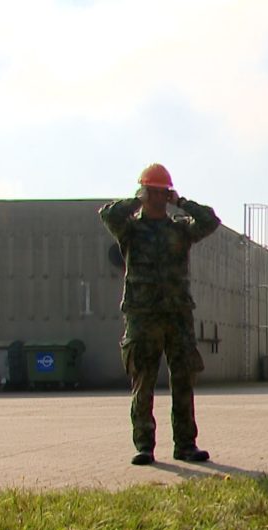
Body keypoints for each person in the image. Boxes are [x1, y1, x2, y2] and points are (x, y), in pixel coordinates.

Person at [99, 163, 221, 466]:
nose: (156, 198)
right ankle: (144, 446)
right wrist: (136, 200)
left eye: (161, 192)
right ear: (143, 192)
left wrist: (181, 202)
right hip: (143, 315)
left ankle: (186, 445)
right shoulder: (130, 229)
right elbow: (107, 214)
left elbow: (210, 221)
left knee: (184, 380)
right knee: (144, 382)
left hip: (177, 315)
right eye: (151, 192)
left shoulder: (179, 229)